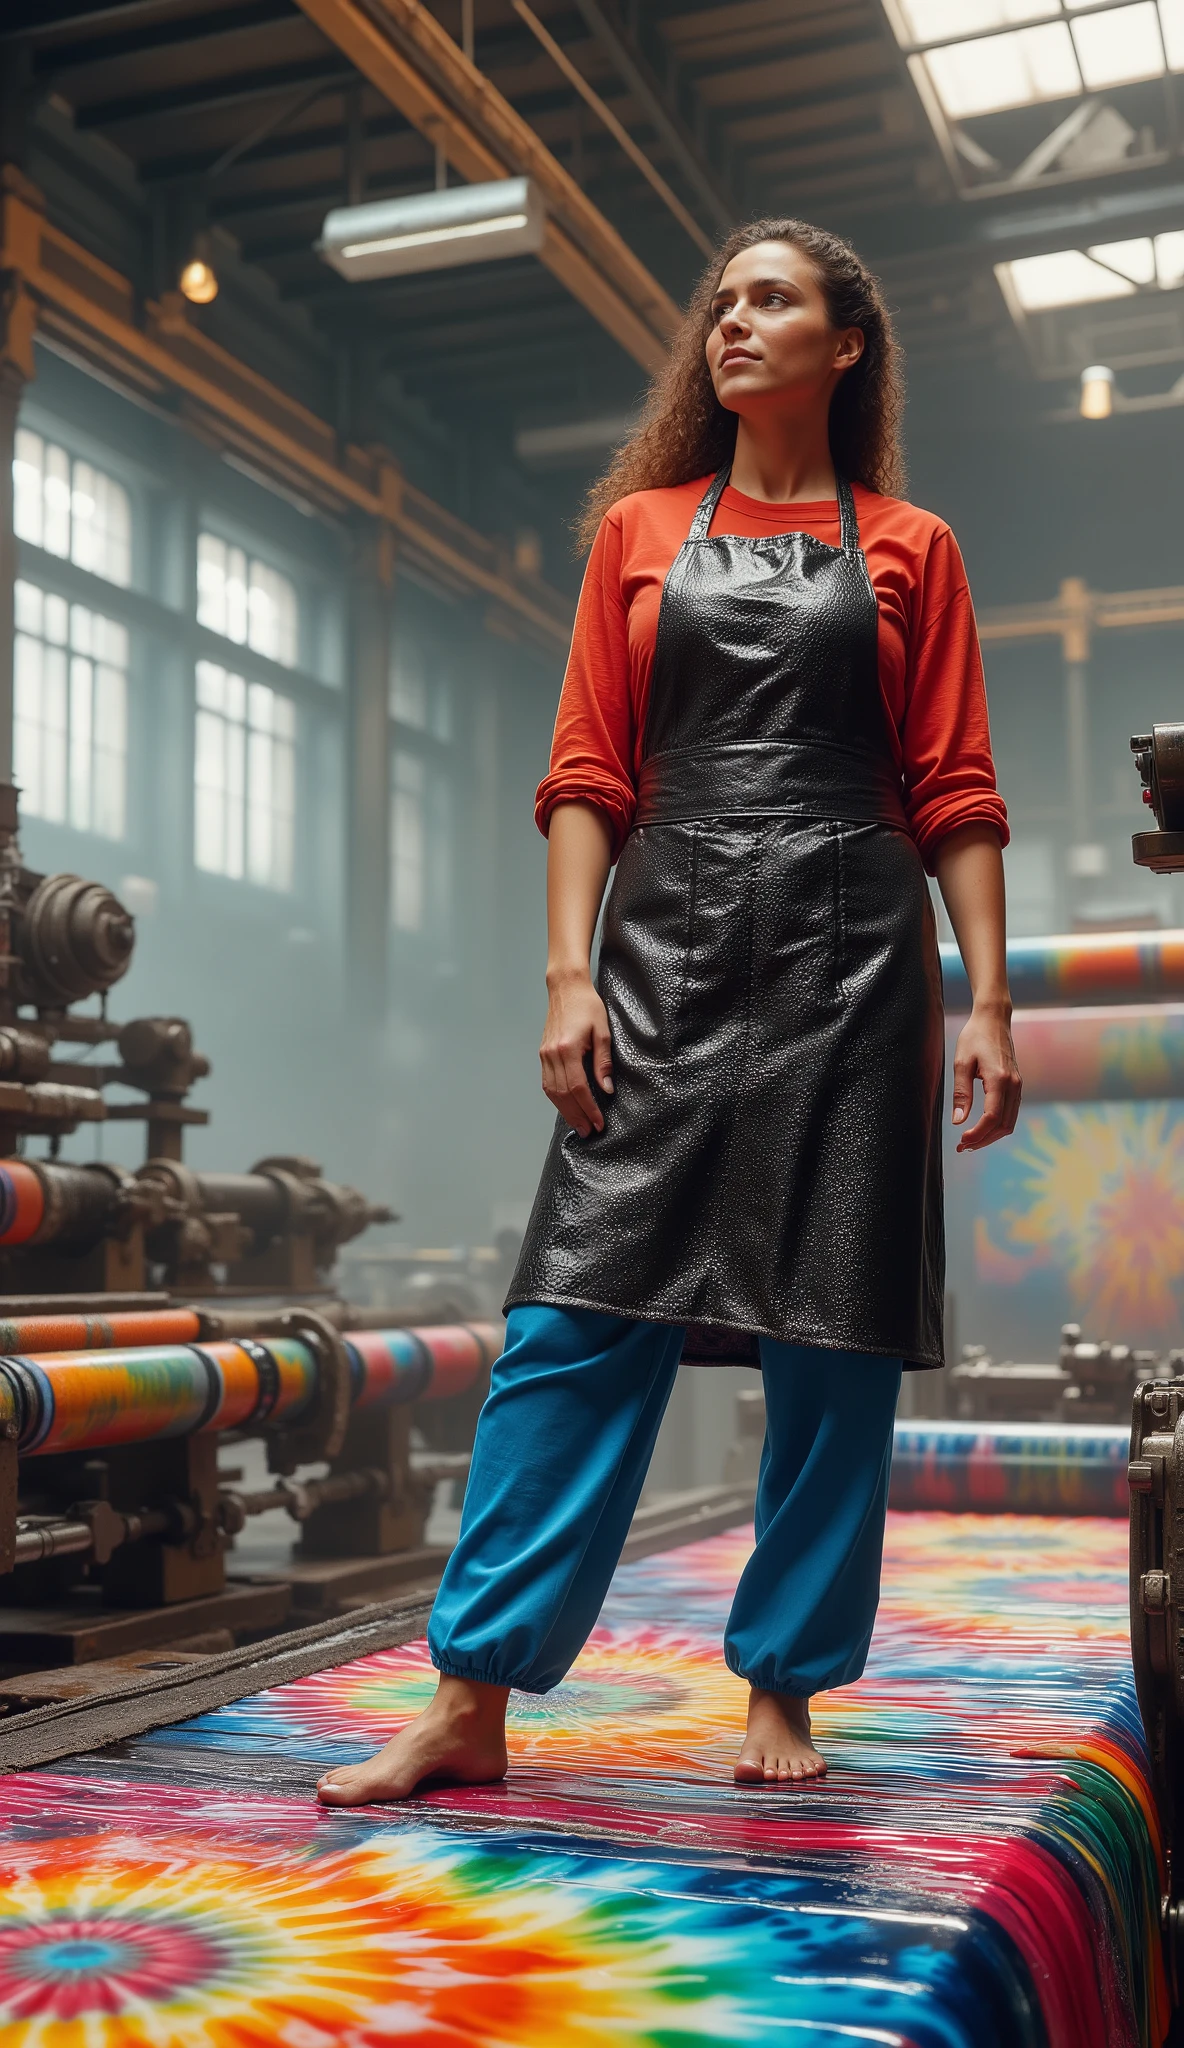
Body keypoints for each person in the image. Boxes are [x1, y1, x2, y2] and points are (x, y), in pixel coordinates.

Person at [318, 216, 1021, 1807]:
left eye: (771, 299)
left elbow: (956, 788)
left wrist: (986, 1000)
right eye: (720, 300)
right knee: (570, 1323)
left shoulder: (916, 546)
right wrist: (569, 976)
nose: (732, 321)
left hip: (856, 949)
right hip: (667, 944)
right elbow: (587, 772)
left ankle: (783, 1678)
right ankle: (471, 1695)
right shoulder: (637, 530)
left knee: (828, 1339)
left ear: (848, 345)